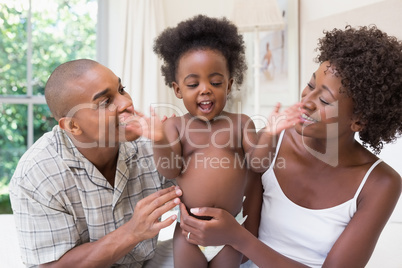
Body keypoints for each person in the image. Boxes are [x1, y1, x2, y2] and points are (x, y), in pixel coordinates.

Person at [178, 25, 402, 268]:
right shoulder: (268, 144)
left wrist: (236, 236)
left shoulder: (380, 183)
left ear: (359, 120)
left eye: (325, 100)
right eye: (310, 84)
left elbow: (242, 240)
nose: (306, 102)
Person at [129, 15, 301, 268]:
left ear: (229, 85)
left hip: (229, 231)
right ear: (178, 90)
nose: (205, 89)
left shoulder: (241, 123)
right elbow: (170, 169)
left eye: (216, 82)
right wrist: (159, 140)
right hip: (189, 232)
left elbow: (258, 163)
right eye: (193, 83)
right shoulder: (174, 126)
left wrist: (270, 134)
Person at [9, 59, 183, 267]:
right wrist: (132, 232)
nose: (126, 103)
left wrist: (177, 144)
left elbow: (202, 193)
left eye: (121, 89)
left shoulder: (150, 142)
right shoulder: (38, 172)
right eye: (105, 102)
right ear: (73, 125)